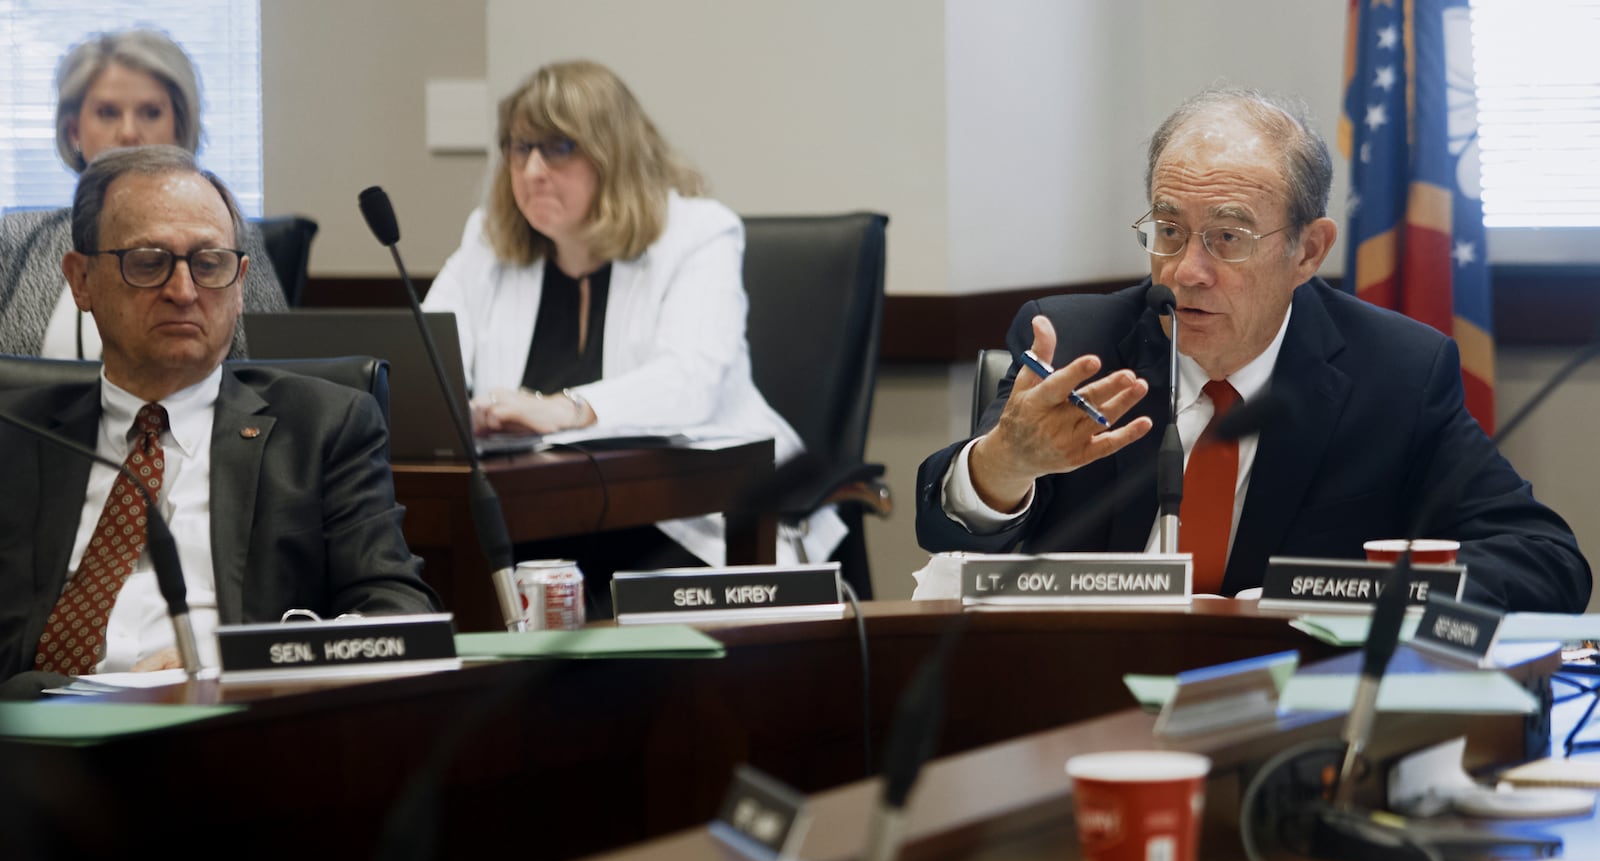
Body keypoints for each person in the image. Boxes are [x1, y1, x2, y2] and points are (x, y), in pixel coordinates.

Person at [916, 87, 1589, 614]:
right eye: (1169, 230)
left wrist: (1368, 594)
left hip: (1285, 720)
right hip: (1080, 702)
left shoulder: (1396, 375)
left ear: (1308, 250)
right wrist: (1001, 468)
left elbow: (1545, 559)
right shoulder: (1074, 345)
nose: (1186, 270)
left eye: (1228, 238)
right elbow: (945, 530)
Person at [0, 145, 438, 694]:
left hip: (232, 728)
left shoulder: (324, 426)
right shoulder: (17, 436)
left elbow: (398, 618)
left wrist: (231, 660)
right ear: (81, 279)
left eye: (209, 264)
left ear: (239, 285)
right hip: (33, 739)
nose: (183, 292)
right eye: (148, 262)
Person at [423, 59, 843, 606]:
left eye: (558, 148)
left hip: (686, 522)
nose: (531, 171)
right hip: (532, 529)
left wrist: (567, 408)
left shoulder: (698, 234)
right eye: (519, 148)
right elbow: (427, 359)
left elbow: (691, 380)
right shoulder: (487, 241)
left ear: (612, 155)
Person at [0, 27, 286, 361]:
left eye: (150, 112)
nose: (129, 132)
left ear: (179, 128)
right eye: (107, 112)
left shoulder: (232, 239)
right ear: (74, 130)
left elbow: (272, 376)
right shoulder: (16, 237)